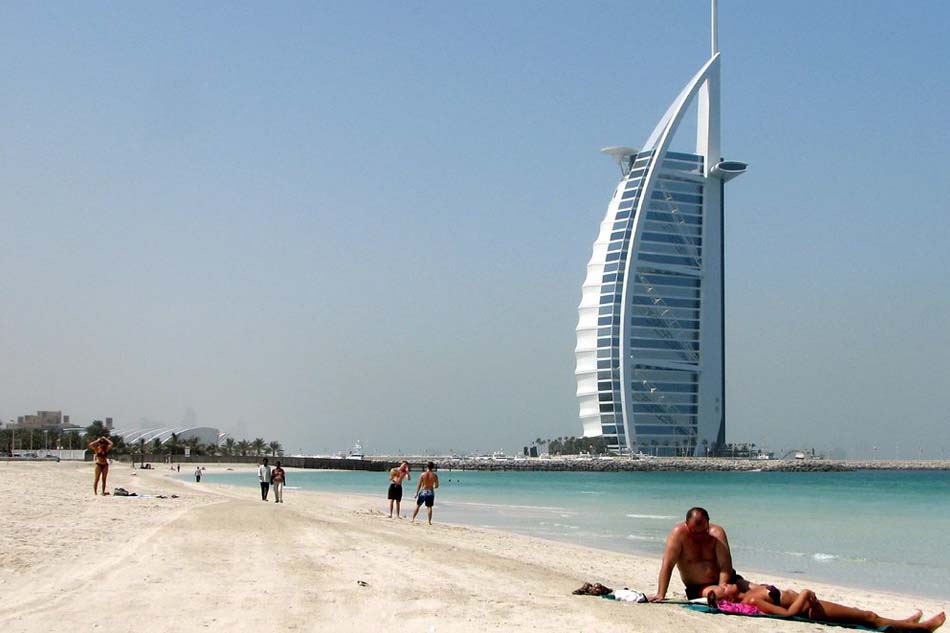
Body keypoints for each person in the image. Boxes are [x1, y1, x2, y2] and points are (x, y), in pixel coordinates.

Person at [704, 582, 945, 631]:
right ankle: (921, 629)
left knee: (866, 615)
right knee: (868, 616)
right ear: (729, 599)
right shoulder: (753, 600)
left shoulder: (747, 589)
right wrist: (806, 594)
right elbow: (788, 614)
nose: (725, 584)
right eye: (722, 588)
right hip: (812, 610)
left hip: (811, 603)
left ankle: (907, 623)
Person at [650, 507, 743, 601]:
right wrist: (661, 594)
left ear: (708, 522)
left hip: (727, 581)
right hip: (698, 588)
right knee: (721, 594)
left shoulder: (717, 533)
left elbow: (725, 565)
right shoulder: (678, 534)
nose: (699, 536)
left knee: (757, 590)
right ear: (686, 524)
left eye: (703, 532)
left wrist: (723, 586)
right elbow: (667, 565)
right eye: (694, 532)